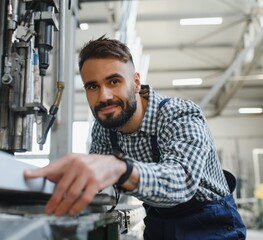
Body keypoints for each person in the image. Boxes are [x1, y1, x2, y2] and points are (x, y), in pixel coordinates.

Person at [24, 36, 246, 239]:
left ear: (136, 82)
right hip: (160, 223)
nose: (104, 97)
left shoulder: (181, 115)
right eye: (93, 86)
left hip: (211, 225)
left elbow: (181, 181)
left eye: (114, 81)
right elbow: (99, 181)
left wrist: (121, 169)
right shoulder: (105, 127)